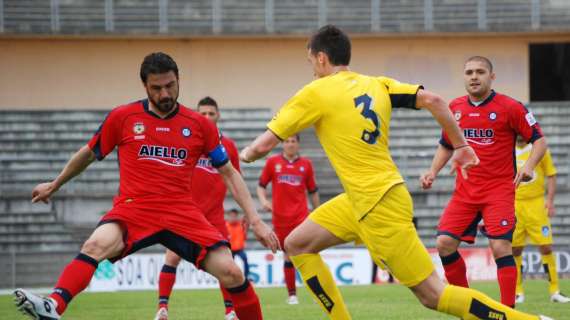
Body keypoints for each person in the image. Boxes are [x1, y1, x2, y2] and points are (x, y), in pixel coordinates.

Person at [240, 25, 552, 320]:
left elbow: (262, 146)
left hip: (378, 205)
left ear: (321, 57)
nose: (311, 67)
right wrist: (461, 145)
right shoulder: (378, 83)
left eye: (310, 60)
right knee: (296, 244)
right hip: (359, 200)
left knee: (433, 295)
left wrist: (245, 154)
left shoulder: (315, 91)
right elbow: (435, 100)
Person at [13, 52, 278, 320]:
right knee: (94, 245)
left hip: (181, 211)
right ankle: (54, 306)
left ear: (178, 81)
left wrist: (256, 220)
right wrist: (54, 184)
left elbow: (230, 173)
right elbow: (88, 153)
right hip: (135, 207)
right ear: (145, 86)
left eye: (170, 86)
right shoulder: (123, 117)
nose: (165, 94)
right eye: (157, 88)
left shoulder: (199, 125)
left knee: (231, 272)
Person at [420, 56, 547, 308]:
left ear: (492, 76)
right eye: (469, 72)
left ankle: (507, 310)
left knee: (500, 247)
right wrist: (432, 171)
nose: (474, 76)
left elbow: (539, 141)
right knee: (444, 244)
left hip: (499, 191)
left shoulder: (511, 107)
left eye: (480, 72)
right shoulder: (454, 108)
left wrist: (529, 166)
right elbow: (447, 144)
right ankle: (467, 306)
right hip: (465, 192)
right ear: (464, 77)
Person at [154, 96, 243, 320]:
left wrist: (247, 213)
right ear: (196, 115)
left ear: (218, 115)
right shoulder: (187, 142)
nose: (207, 117)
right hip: (185, 214)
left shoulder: (229, 147)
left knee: (227, 265)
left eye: (211, 113)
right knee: (171, 258)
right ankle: (162, 308)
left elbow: (235, 180)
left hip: (214, 217)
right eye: (202, 113)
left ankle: (230, 311)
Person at [257, 134, 320, 304]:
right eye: (287, 141)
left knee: (309, 254)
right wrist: (264, 201)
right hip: (281, 218)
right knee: (287, 256)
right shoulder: (272, 163)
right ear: (282, 144)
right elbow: (261, 186)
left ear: (298, 144)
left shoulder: (306, 164)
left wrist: (318, 211)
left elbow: (313, 190)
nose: (290, 144)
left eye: (293, 141)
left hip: (301, 216)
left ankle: (317, 293)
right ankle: (292, 295)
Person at [513, 136, 570, 304]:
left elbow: (551, 175)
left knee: (546, 247)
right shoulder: (507, 149)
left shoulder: (539, 149)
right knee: (515, 250)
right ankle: (518, 292)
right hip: (515, 206)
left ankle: (555, 291)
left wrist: (550, 201)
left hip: (537, 205)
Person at [226, 208, 250, 279]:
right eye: (231, 216)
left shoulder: (241, 225)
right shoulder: (225, 226)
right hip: (229, 250)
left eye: (234, 216)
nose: (233, 218)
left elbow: (246, 232)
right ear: (229, 216)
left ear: (237, 216)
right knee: (228, 265)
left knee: (245, 259)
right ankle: (229, 277)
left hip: (239, 249)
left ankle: (246, 277)